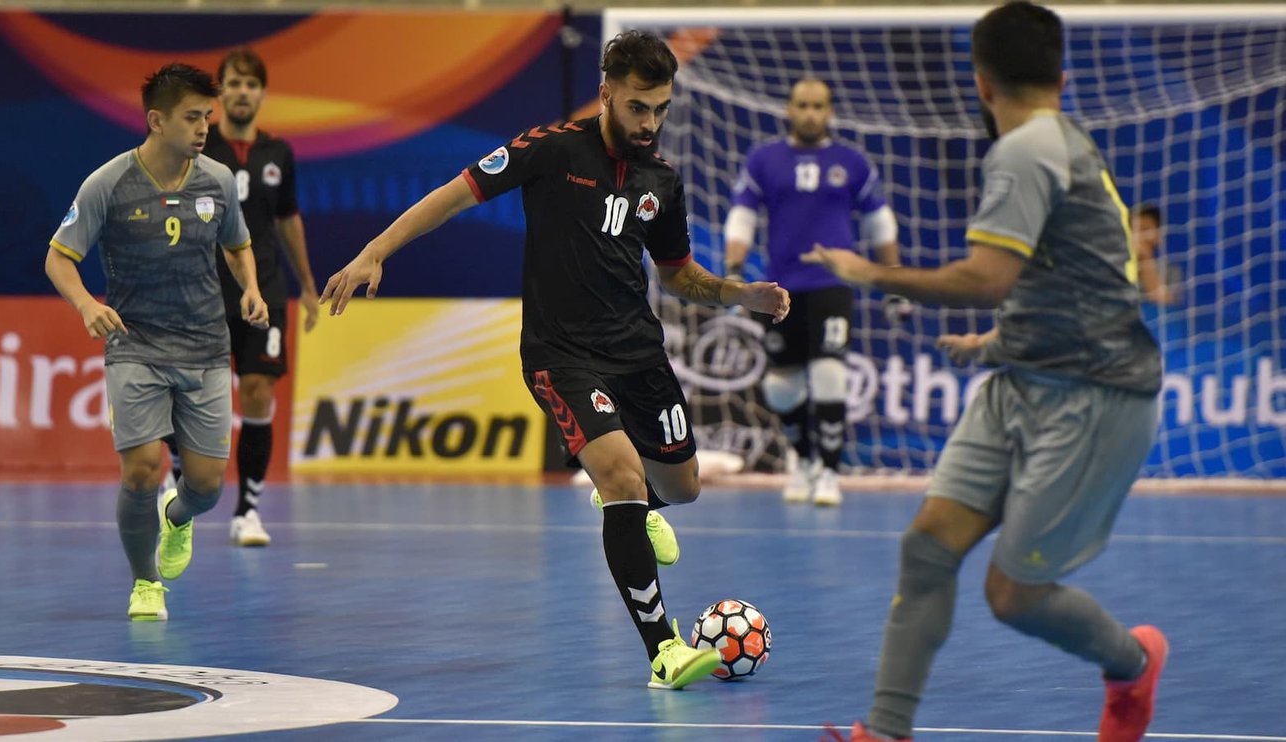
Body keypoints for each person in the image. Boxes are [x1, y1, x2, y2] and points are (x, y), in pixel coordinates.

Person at [321, 30, 790, 689]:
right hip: (561, 354)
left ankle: (629, 506)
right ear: (606, 95)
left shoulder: (662, 181)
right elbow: (454, 195)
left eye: (660, 108)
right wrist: (376, 249)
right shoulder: (549, 150)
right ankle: (665, 650)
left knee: (680, 489)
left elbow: (681, 276)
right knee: (624, 479)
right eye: (637, 108)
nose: (650, 123)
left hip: (639, 354)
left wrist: (741, 295)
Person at [802, 3, 1168, 740]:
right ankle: (886, 729)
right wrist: (997, 343)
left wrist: (869, 273)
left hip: (1094, 399)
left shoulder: (1026, 150)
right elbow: (1070, 277)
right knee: (928, 545)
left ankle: (1133, 666)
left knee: (1013, 594)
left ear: (979, 83)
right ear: (1064, 77)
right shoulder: (1059, 141)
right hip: (1019, 380)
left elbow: (990, 275)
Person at [46, 63, 266, 621]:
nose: (203, 129)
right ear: (156, 120)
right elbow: (59, 257)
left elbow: (238, 245)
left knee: (207, 487)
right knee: (142, 468)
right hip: (135, 346)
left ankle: (179, 517)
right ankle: (145, 583)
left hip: (206, 348)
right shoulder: (108, 183)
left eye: (207, 118)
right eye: (192, 118)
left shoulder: (216, 181)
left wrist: (251, 289)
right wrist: (87, 305)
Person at [162, 47, 319, 548]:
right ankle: (176, 475)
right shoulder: (198, 150)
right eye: (234, 83)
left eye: (252, 84)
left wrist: (309, 286)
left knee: (257, 391)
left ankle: (247, 510)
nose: (243, 92)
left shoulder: (279, 154)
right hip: (200, 289)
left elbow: (288, 220)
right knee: (181, 392)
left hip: (264, 290)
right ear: (220, 93)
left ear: (263, 94)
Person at [723, 78, 904, 507]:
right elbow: (742, 218)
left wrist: (894, 280)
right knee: (782, 388)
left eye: (818, 106)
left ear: (830, 111)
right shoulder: (765, 159)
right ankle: (803, 461)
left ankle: (830, 471)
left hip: (832, 286)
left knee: (829, 374)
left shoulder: (852, 162)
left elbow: (880, 222)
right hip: (780, 289)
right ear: (788, 109)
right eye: (802, 104)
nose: (810, 113)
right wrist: (733, 273)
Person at [1133, 203, 1175, 305]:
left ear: (1158, 236)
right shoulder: (1117, 267)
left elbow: (1165, 303)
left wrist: (1145, 257)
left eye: (1145, 229)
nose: (1138, 236)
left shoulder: (1170, 272)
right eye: (1134, 230)